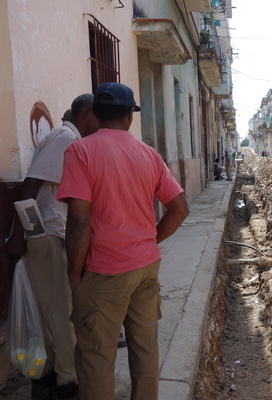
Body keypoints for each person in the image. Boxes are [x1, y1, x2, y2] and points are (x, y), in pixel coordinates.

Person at [57, 82, 189, 400]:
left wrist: (74, 273)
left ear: (95, 114)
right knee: (145, 349)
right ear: (129, 116)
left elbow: (78, 219)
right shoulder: (148, 154)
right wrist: (149, 240)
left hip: (103, 271)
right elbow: (180, 209)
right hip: (145, 267)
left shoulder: (80, 150)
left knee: (97, 358)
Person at [5, 94, 99, 400]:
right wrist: (18, 236)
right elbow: (30, 186)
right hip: (47, 237)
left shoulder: (70, 138)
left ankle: (53, 379)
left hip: (51, 236)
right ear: (86, 113)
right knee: (61, 313)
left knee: (55, 312)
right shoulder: (64, 138)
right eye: (98, 117)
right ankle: (66, 383)